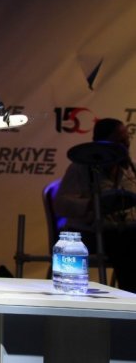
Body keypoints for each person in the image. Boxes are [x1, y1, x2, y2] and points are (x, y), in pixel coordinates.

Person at [54, 117, 136, 292]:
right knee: (127, 245)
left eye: (126, 140)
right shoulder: (80, 168)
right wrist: (92, 205)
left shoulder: (130, 171)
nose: (125, 145)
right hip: (88, 233)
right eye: (119, 141)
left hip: (122, 231)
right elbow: (61, 204)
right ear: (101, 143)